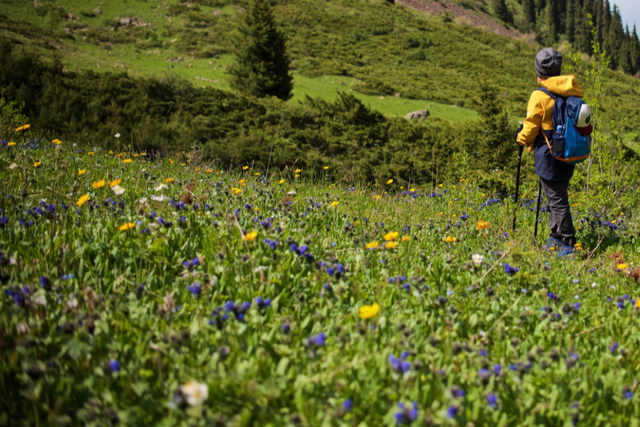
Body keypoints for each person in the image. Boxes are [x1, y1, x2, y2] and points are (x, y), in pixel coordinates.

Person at [515, 47, 583, 257]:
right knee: (556, 194)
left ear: (539, 71)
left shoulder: (539, 95)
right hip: (566, 153)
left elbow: (531, 127)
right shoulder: (570, 90)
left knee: (556, 199)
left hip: (548, 155)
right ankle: (555, 237)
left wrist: (520, 138)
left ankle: (568, 242)